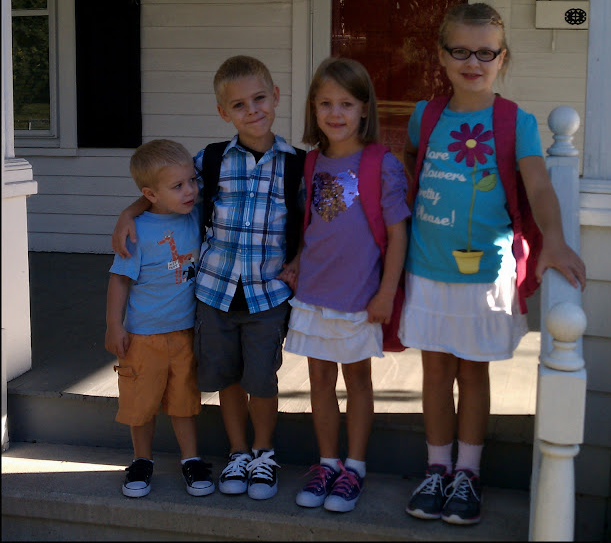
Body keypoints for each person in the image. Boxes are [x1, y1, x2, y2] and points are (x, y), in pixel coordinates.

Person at [400, 3, 587, 525]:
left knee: (472, 372)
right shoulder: (425, 115)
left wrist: (554, 240)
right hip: (426, 267)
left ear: (502, 58)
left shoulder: (514, 122)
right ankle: (437, 468)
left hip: (484, 274)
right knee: (435, 372)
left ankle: (468, 473)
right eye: (460, 51)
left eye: (486, 53)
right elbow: (413, 160)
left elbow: (539, 185)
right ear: (441, 56)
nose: (473, 62)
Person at [111, 56, 305, 501]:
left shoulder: (297, 165)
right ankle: (237, 452)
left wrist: (300, 259)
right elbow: (164, 189)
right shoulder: (211, 160)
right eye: (238, 104)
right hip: (215, 293)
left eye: (259, 98)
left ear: (276, 97)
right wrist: (130, 211)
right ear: (223, 112)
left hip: (268, 295)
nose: (252, 110)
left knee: (262, 379)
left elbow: (312, 222)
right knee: (228, 377)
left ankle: (263, 453)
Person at [281, 57, 410, 513]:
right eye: (325, 104)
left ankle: (354, 467)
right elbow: (313, 226)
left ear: (364, 108)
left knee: (357, 380)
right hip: (314, 293)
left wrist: (386, 292)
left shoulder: (381, 164)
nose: (335, 113)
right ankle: (327, 463)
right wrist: (297, 263)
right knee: (319, 379)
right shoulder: (312, 162)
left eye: (346, 104)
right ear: (313, 109)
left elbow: (397, 234)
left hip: (359, 296)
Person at [105, 139, 214, 499]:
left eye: (192, 181)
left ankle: (191, 459)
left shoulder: (194, 213)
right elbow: (120, 279)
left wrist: (130, 208)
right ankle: (141, 460)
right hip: (143, 336)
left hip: (186, 333)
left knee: (184, 402)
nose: (190, 191)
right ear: (150, 194)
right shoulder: (138, 231)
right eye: (178, 186)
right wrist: (114, 325)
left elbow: (192, 188)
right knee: (141, 404)